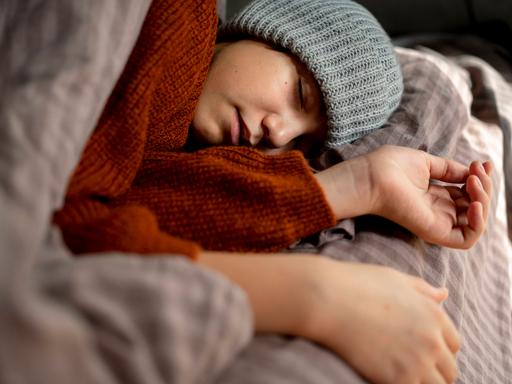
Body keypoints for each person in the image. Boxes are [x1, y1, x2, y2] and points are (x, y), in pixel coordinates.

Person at [54, 0, 493, 383]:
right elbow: (60, 240)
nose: (278, 134)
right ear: (260, 32)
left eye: (302, 144)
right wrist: (310, 294)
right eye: (301, 93)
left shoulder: (176, 142)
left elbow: (129, 204)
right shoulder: (173, 19)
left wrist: (365, 183)